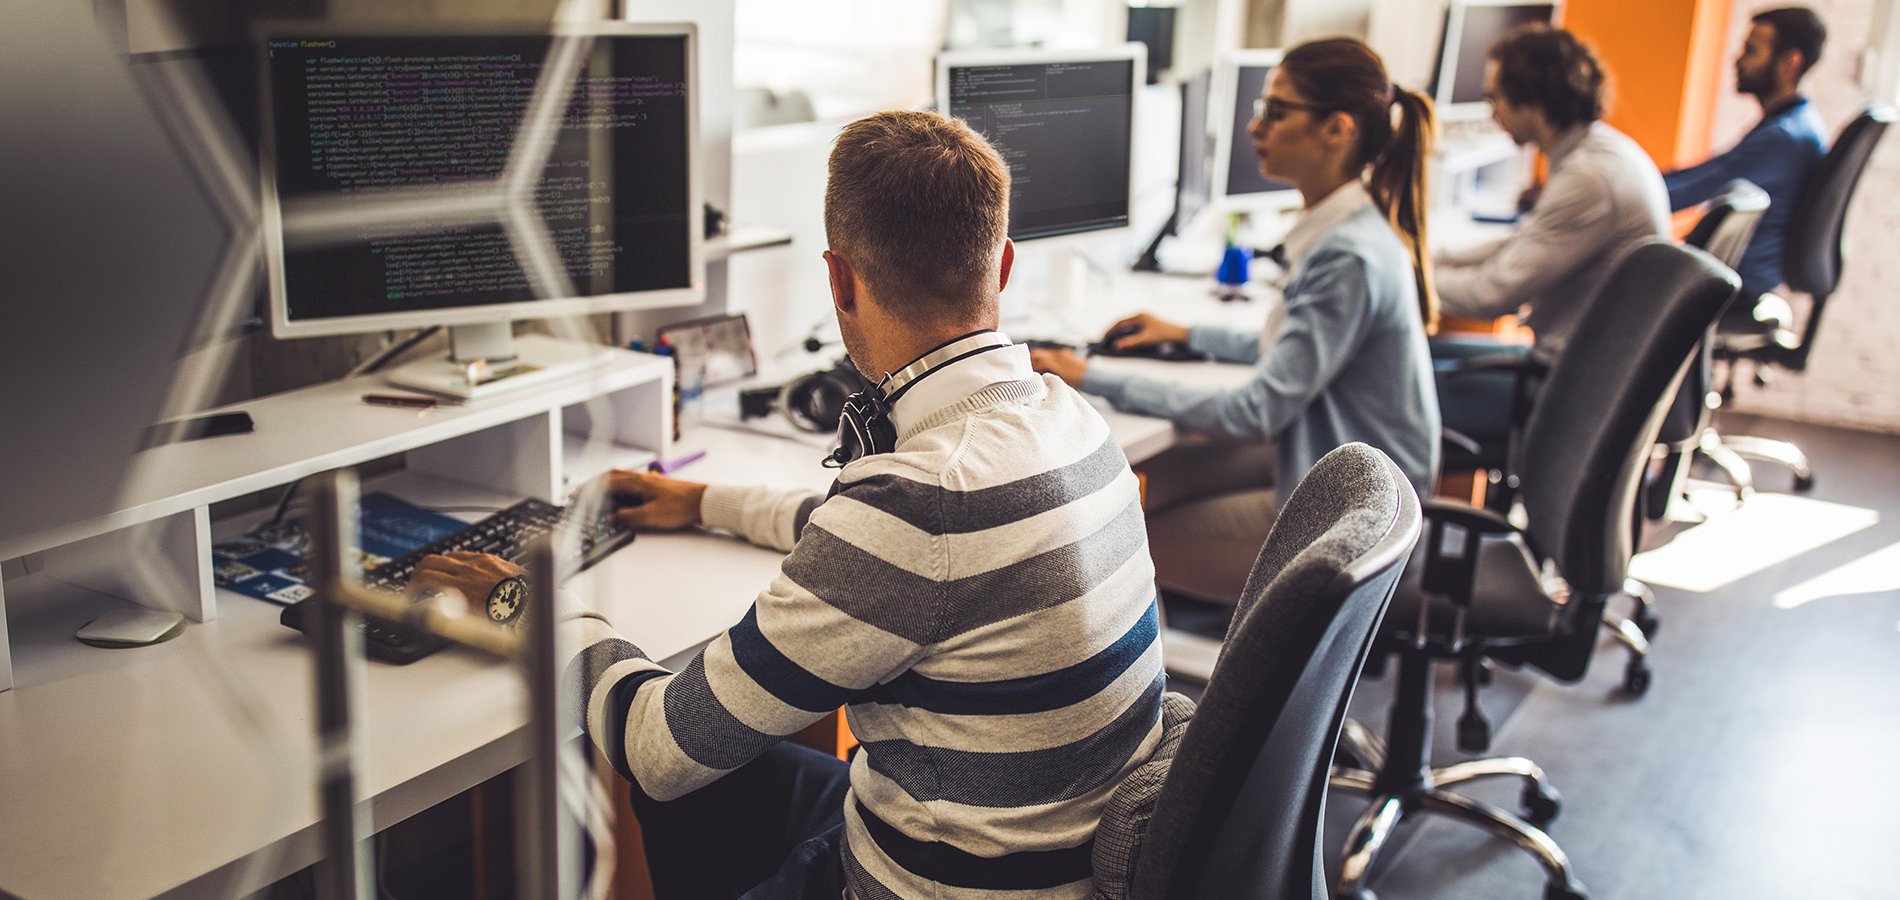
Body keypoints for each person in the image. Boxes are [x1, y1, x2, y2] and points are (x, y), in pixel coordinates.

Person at [410, 111, 1164, 900]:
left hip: (924, 886)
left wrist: (521, 601)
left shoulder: (914, 509)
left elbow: (658, 749)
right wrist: (707, 502)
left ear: (839, 279)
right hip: (1043, 862)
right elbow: (924, 560)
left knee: (680, 772)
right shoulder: (1070, 420)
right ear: (1002, 265)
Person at [1029, 38, 1440, 606]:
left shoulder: (1346, 255)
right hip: (1333, 460)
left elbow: (1257, 409)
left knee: (1113, 543)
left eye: (1276, 111)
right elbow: (1294, 347)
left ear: (1337, 128)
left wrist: (1090, 374)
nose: (1254, 127)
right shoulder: (1348, 228)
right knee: (1124, 489)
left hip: (1356, 511)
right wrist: (1187, 334)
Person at [1431, 24, 1670, 454]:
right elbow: (1523, 241)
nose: (1492, 113)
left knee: (1379, 386)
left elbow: (1492, 295)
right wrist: (1430, 258)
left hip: (1566, 388)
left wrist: (1411, 282)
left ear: (1533, 101)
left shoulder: (1590, 178)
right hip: (1577, 368)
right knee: (1418, 354)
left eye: (1495, 98)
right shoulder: (1596, 153)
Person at [1664, 6, 1828, 303]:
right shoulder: (1801, 123)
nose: (1737, 60)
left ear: (1790, 62)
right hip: (1752, 275)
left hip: (1735, 282)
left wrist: (1626, 185)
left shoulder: (1783, 139)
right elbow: (1709, 171)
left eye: (1751, 51)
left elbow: (1690, 189)